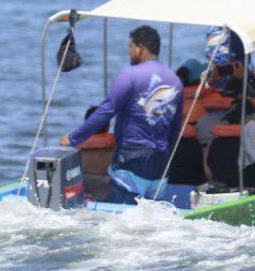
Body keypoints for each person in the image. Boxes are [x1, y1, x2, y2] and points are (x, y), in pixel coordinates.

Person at [58, 25, 182, 203]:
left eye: (130, 47)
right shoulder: (175, 81)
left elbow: (106, 111)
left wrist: (73, 137)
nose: (129, 52)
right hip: (161, 163)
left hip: (133, 158)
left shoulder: (130, 75)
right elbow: (175, 128)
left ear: (140, 48)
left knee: (123, 214)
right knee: (153, 214)